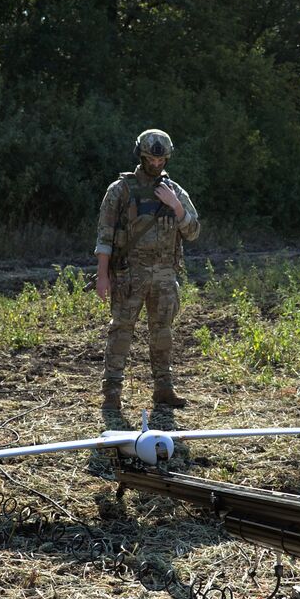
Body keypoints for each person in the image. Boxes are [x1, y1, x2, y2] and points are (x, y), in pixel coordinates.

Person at [94, 128, 201, 416]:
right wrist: (103, 276)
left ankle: (163, 389)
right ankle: (112, 394)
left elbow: (193, 232)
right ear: (140, 156)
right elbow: (104, 238)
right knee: (121, 333)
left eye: (161, 160)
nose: (156, 165)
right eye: (151, 159)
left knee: (162, 333)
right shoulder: (120, 191)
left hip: (165, 276)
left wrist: (176, 206)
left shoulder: (175, 191)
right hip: (130, 274)